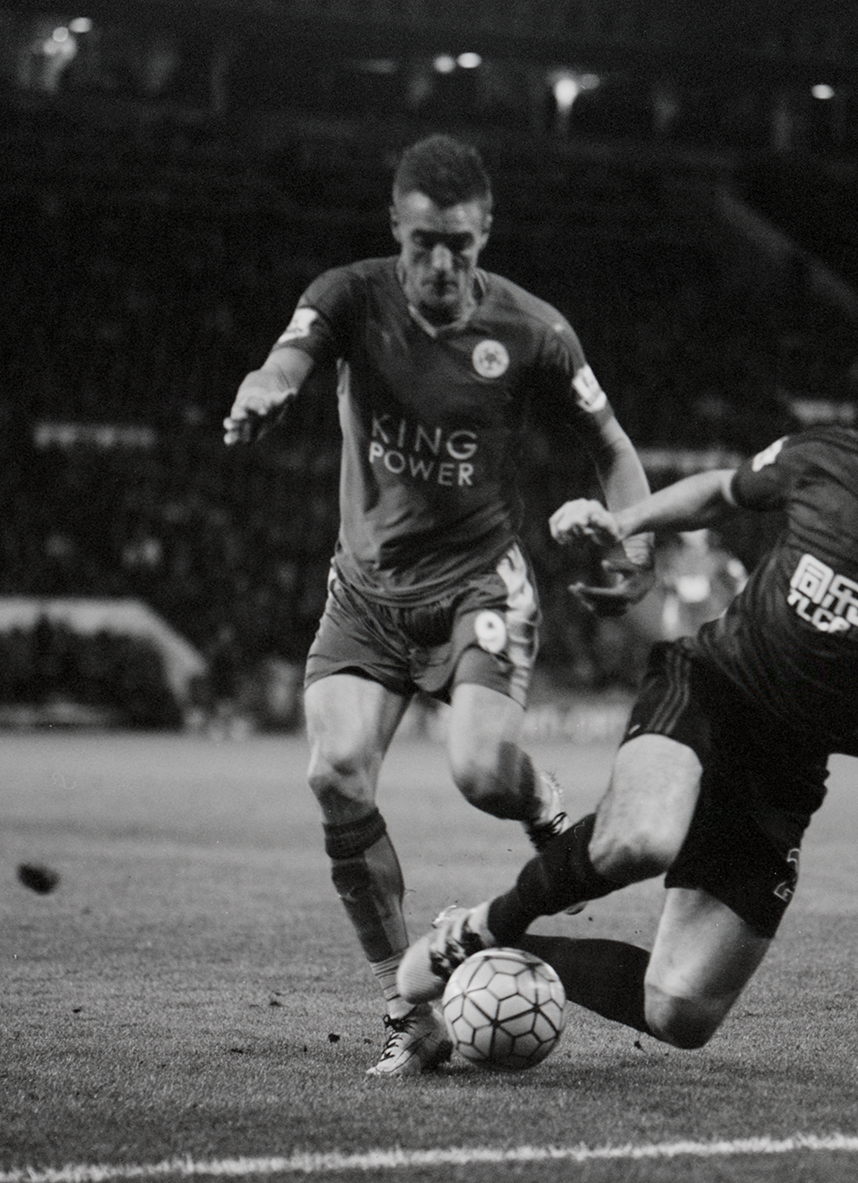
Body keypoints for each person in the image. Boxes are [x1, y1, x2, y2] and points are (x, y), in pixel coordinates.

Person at [391, 363, 858, 1065]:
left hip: (787, 771)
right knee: (641, 839)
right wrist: (623, 521)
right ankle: (480, 928)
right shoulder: (825, 460)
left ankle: (502, 938)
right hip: (710, 688)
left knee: (680, 1011)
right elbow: (721, 493)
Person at [222, 134, 655, 1076]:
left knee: (478, 771)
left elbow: (613, 447)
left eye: (460, 242)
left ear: (485, 232)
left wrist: (638, 540)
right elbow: (289, 358)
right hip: (367, 594)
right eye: (424, 241)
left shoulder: (535, 332)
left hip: (477, 586)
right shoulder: (348, 295)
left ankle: (543, 806)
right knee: (334, 773)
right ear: (397, 230)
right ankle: (404, 1003)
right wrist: (265, 390)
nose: (442, 263)